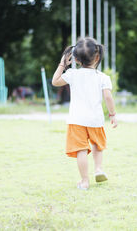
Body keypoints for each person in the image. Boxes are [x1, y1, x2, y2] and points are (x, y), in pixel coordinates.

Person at [52, 37, 118, 190]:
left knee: (81, 150)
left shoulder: (72, 74)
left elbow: (55, 81)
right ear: (97, 56)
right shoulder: (103, 77)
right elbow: (108, 96)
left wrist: (63, 63)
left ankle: (84, 181)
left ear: (75, 59)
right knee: (97, 145)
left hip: (76, 120)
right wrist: (113, 114)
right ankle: (98, 169)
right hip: (95, 119)